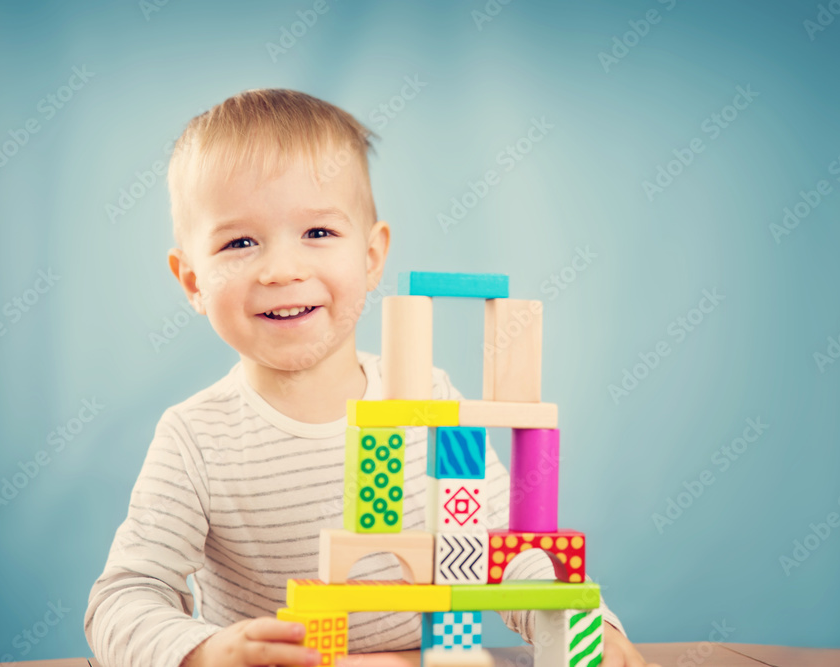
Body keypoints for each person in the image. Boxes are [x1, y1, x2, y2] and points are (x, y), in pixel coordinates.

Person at [84, 88, 656, 667]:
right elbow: (125, 596)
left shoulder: (430, 401)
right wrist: (203, 652)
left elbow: (513, 551)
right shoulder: (195, 437)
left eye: (318, 233)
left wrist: (588, 630)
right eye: (239, 242)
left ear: (372, 256)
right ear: (191, 281)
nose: (282, 270)